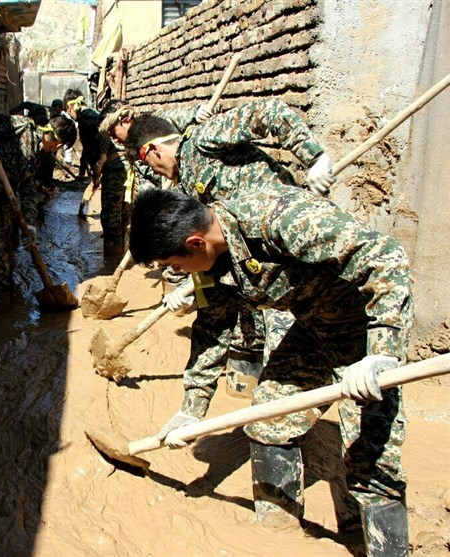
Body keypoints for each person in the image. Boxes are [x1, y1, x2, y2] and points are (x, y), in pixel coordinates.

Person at [130, 186, 412, 556]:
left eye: (176, 267)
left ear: (196, 242)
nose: (178, 274)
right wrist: (190, 409)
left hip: (367, 329)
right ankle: (277, 529)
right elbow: (213, 329)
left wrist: (382, 353)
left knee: (372, 458)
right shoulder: (214, 261)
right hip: (314, 324)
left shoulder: (280, 218)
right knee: (269, 420)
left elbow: (387, 257)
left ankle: (381, 547)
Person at [123, 98, 337, 398]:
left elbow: (270, 112)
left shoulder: (203, 140)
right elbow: (206, 253)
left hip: (289, 250)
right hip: (254, 270)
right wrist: (191, 293)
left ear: (154, 150)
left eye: (149, 165)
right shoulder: (185, 188)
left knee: (289, 356)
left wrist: (314, 159)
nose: (156, 173)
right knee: (253, 339)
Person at [0, 112, 76, 315]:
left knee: (9, 261)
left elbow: (29, 189)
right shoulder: (22, 126)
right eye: (62, 147)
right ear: (59, 144)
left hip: (3, 206)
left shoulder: (38, 157)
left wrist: (30, 224)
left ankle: (5, 316)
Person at [63, 89, 130, 254]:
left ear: (71, 107)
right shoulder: (87, 116)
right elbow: (87, 150)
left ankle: (112, 263)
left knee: (111, 217)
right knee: (121, 213)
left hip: (115, 166)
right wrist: (94, 174)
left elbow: (103, 131)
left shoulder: (87, 117)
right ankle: (120, 252)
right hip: (120, 165)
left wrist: (101, 158)